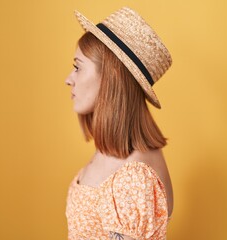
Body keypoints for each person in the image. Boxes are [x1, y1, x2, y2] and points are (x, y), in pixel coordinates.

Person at [65, 7, 173, 239]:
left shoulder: (135, 177)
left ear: (110, 78)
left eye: (77, 67)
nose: (68, 79)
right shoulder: (110, 155)